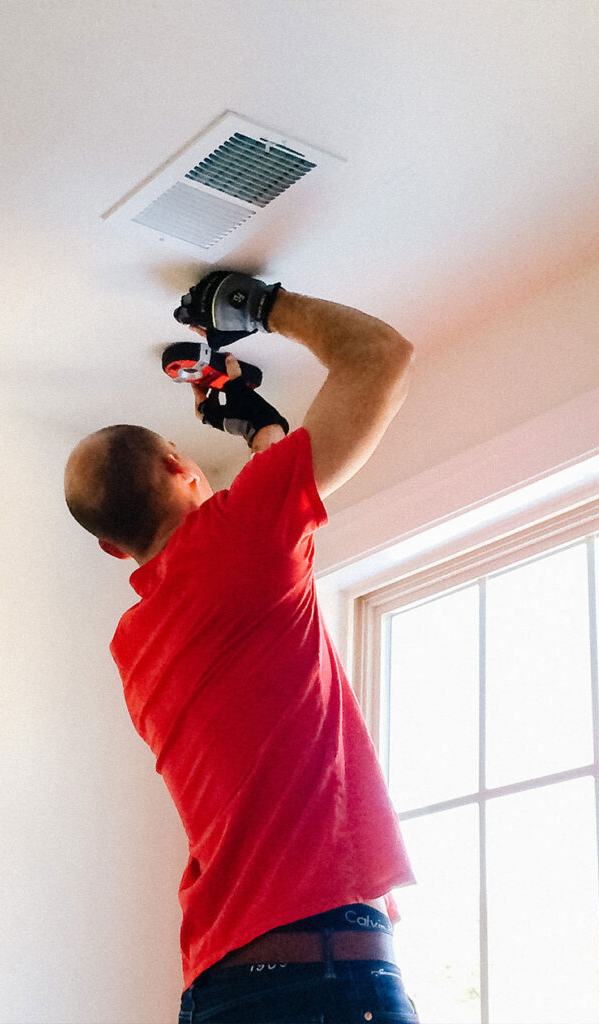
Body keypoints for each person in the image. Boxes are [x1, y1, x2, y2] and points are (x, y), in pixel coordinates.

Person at [64, 272, 419, 1024]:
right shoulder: (243, 535)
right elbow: (378, 356)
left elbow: (258, 512)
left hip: (227, 980)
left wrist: (256, 426)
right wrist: (257, 303)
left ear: (108, 548)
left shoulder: (134, 646)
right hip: (318, 973)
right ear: (180, 468)